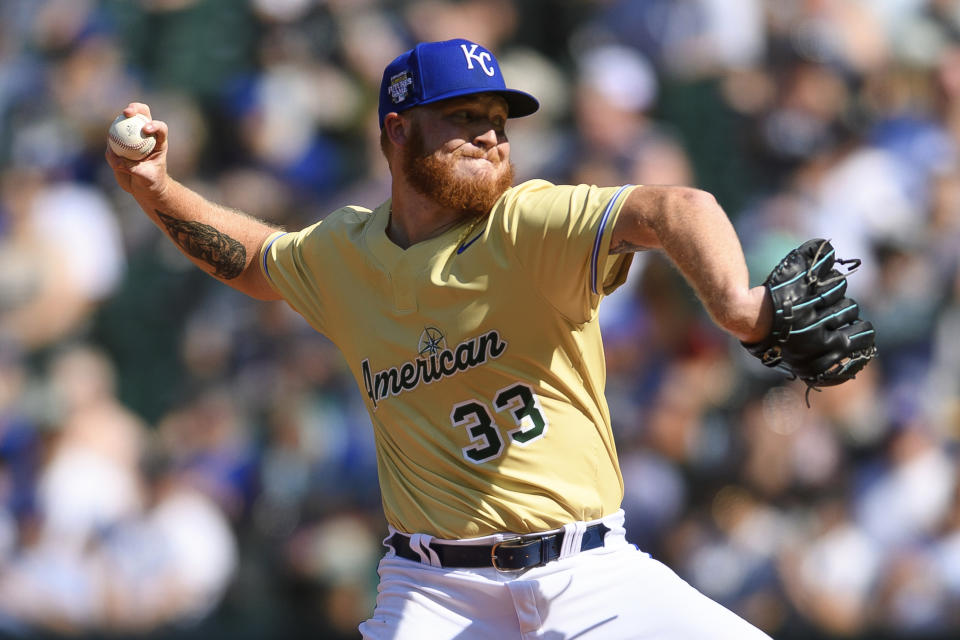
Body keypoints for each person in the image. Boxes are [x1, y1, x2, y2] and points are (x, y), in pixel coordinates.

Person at [106, 38, 774, 639]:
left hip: (589, 574)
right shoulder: (346, 252)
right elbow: (256, 260)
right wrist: (156, 190)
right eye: (463, 117)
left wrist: (738, 305)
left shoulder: (526, 225)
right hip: (432, 591)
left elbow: (675, 208)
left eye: (498, 120)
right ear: (396, 129)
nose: (490, 137)